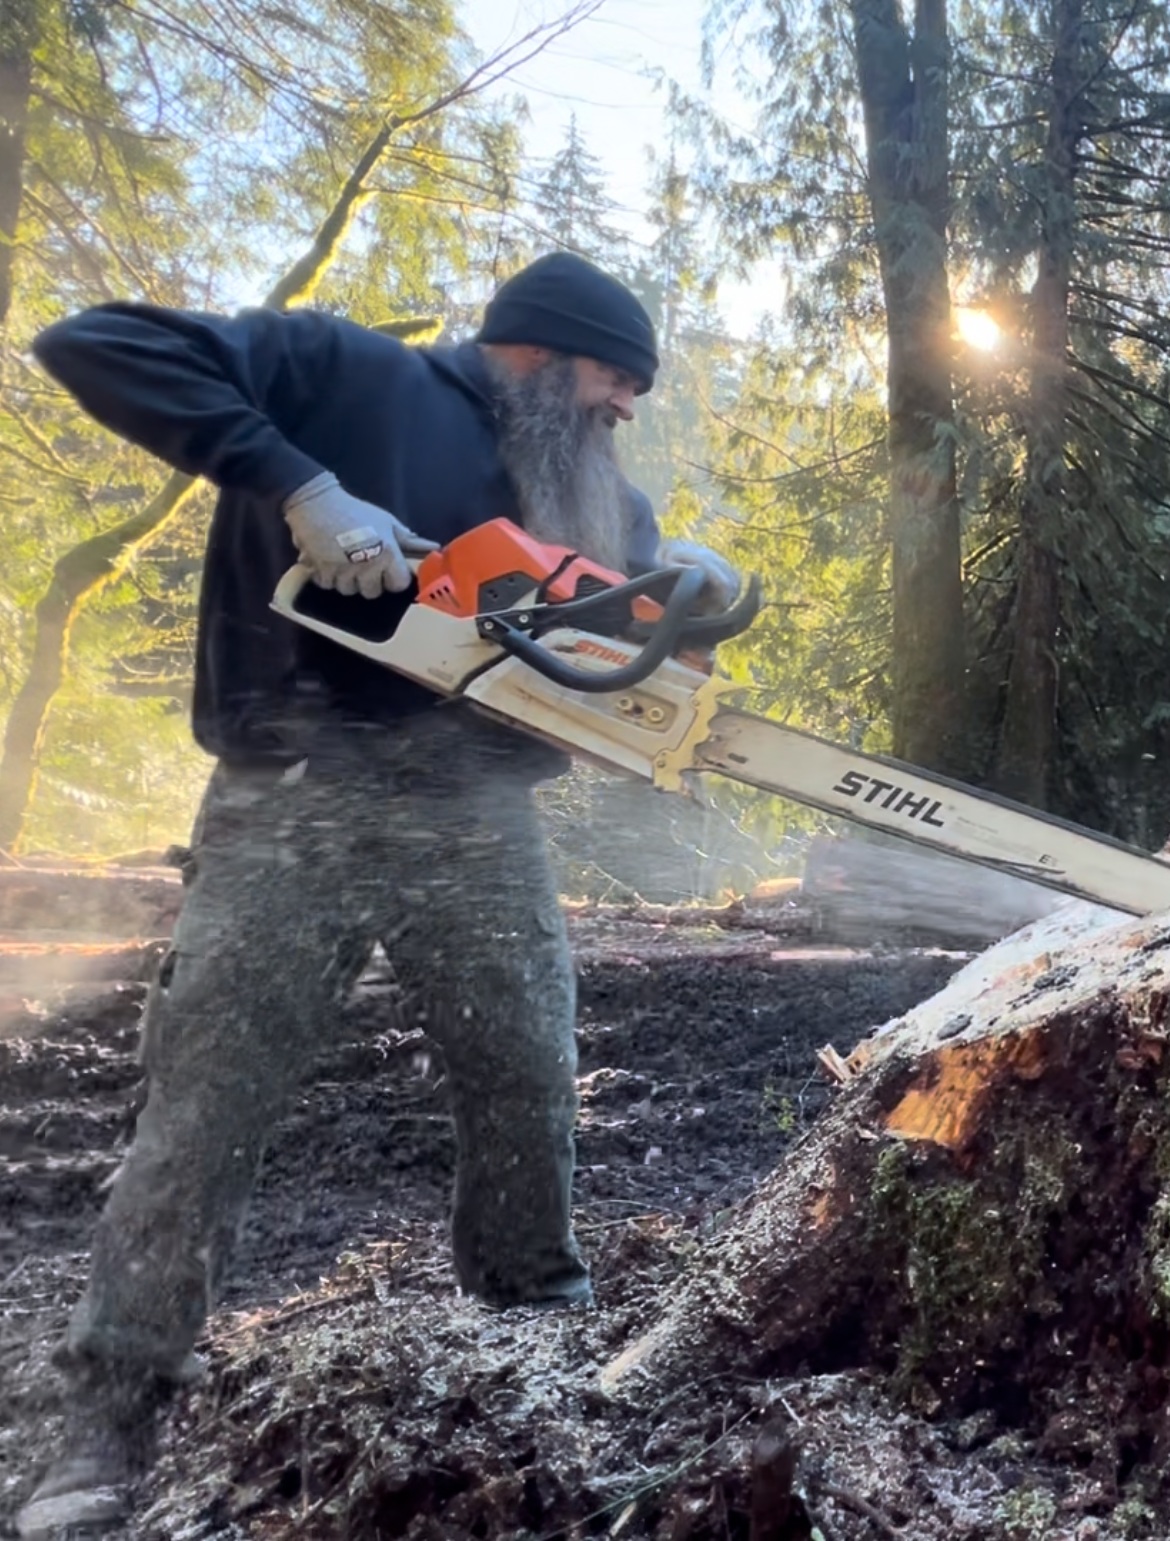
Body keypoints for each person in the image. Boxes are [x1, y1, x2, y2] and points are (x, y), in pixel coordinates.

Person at [15, 252, 739, 1536]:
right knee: (208, 1102)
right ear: (546, 349)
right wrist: (303, 486)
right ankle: (111, 1416)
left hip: (478, 809)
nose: (626, 409)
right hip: (296, 791)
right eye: (618, 381)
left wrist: (691, 588)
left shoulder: (589, 483)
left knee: (525, 1072)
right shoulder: (342, 371)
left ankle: (533, 1330)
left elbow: (622, 623)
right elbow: (98, 341)